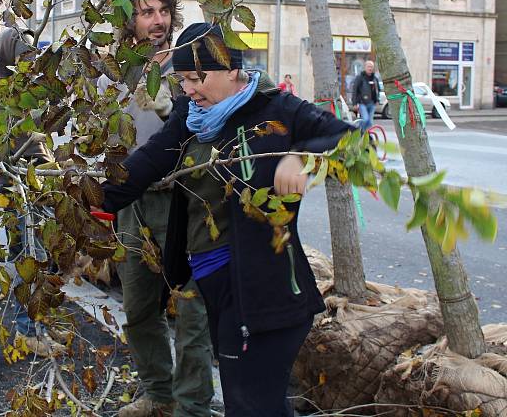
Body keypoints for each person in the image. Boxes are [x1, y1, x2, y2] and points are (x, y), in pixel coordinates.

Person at [99, 23, 355, 416]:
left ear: (232, 69)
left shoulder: (278, 110)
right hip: (215, 286)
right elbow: (146, 164)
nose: (187, 89)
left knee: (250, 405)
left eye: (196, 78)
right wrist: (81, 195)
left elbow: (353, 142)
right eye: (182, 79)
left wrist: (303, 156)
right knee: (253, 404)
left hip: (264, 291)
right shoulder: (191, 117)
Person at [97, 0, 214, 417]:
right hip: (131, 202)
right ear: (130, 20)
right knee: (139, 305)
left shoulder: (189, 64)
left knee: (191, 309)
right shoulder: (113, 71)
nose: (158, 21)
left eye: (163, 11)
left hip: (183, 197)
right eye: (146, 13)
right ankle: (158, 396)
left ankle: (192, 406)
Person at [0, 26, 64, 358]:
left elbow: (47, 130)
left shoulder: (34, 89)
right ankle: (26, 330)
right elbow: (14, 142)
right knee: (26, 258)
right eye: (21, 52)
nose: (27, 59)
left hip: (39, 181)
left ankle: (39, 324)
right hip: (15, 185)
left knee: (44, 257)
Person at [351, 60, 381, 131]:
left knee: (370, 122)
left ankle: (366, 136)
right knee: (365, 119)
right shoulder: (360, 77)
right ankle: (359, 132)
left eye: (371, 67)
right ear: (365, 67)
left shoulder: (375, 78)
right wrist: (354, 103)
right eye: (368, 66)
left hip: (372, 103)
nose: (370, 68)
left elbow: (378, 90)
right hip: (362, 103)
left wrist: (377, 100)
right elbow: (355, 90)